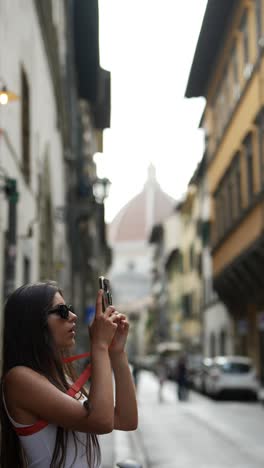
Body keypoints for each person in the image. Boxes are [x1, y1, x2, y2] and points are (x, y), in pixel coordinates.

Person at [0, 281, 138, 467]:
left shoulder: (59, 375)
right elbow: (101, 422)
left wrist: (117, 352)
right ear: (33, 321)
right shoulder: (19, 379)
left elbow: (126, 419)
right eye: (62, 311)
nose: (73, 316)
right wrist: (99, 345)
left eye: (70, 309)